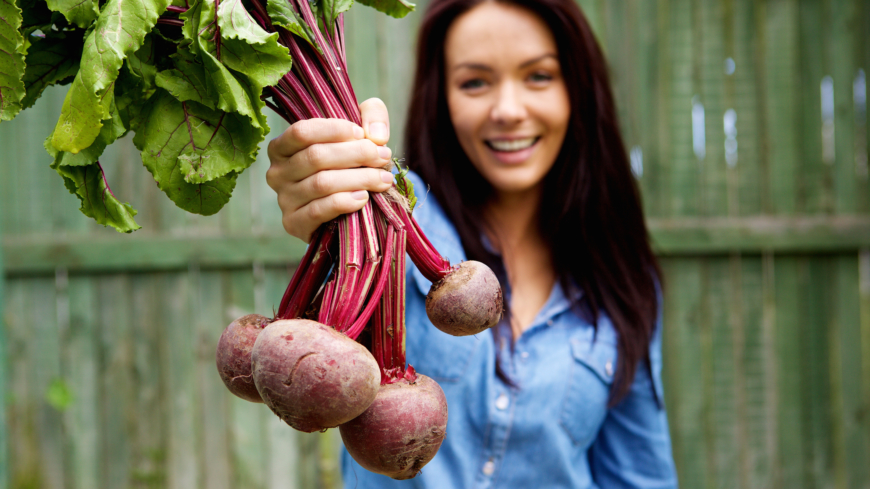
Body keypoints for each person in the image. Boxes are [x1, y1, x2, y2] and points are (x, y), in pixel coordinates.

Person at [266, 0, 678, 487]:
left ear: (577, 90)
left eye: (538, 76)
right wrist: (329, 191)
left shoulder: (622, 278)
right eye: (474, 82)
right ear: (441, 98)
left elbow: (638, 475)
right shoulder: (386, 215)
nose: (507, 110)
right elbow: (339, 220)